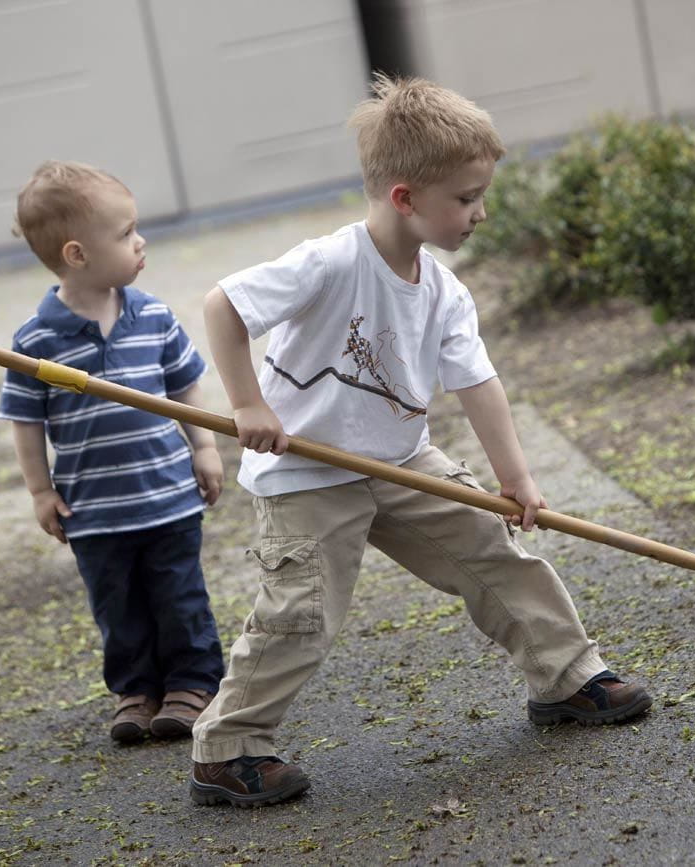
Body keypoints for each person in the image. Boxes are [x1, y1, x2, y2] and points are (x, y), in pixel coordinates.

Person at [189, 76, 652, 807]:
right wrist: (247, 402)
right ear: (405, 197)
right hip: (307, 472)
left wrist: (515, 479)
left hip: (401, 460)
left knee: (492, 549)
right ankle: (228, 746)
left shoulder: (442, 290)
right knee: (300, 614)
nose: (480, 212)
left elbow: (479, 383)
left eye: (480, 195)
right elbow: (224, 305)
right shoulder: (331, 262)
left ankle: (566, 675)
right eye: (466, 198)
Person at [0, 161, 226, 744]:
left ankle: (192, 683)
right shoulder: (35, 341)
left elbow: (184, 385)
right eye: (125, 233)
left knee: (180, 596)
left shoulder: (153, 316)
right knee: (117, 606)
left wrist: (203, 446)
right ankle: (136, 690)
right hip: (94, 511)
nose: (140, 241)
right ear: (77, 255)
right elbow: (25, 421)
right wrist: (40, 490)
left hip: (167, 496)